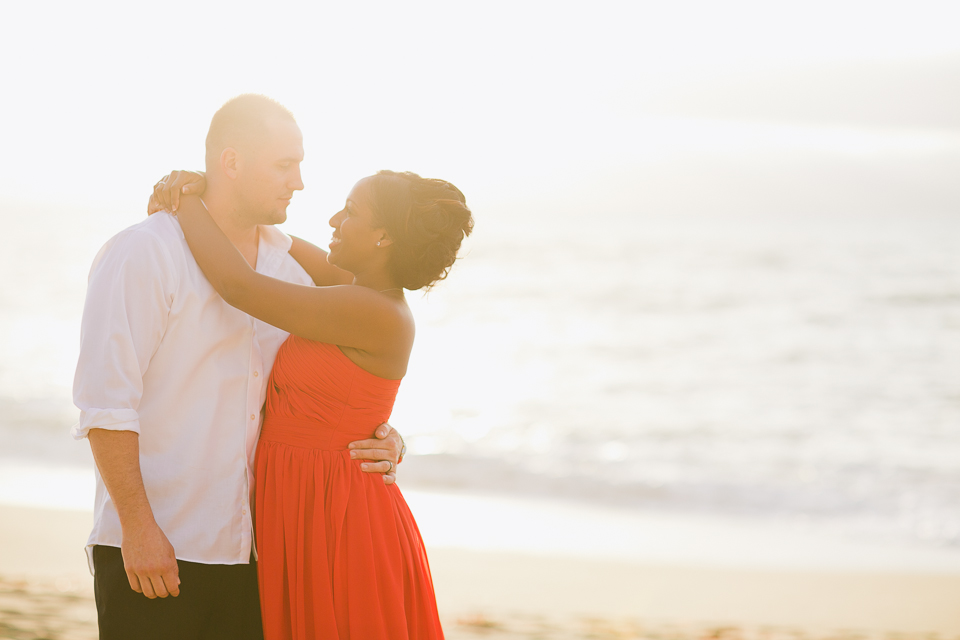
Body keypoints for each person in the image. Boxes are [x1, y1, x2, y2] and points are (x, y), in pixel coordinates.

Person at [71, 94, 404, 640]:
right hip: (160, 546)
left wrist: (386, 436)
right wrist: (137, 527)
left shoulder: (293, 271)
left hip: (262, 556)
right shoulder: (144, 252)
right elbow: (105, 404)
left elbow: (334, 380)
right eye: (283, 164)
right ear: (231, 162)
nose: (298, 182)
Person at [149, 166, 473, 639]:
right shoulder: (354, 287)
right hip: (304, 501)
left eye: (352, 212)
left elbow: (240, 286)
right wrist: (218, 196)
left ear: (383, 236)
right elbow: (270, 239)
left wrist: (185, 202)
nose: (333, 220)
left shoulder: (375, 311)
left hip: (339, 516)